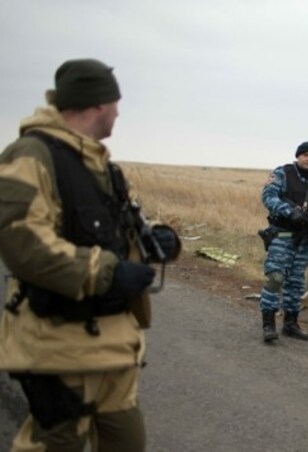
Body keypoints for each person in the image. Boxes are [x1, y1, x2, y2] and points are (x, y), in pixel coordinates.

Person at [0, 58, 180, 451]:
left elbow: (122, 234)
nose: (118, 111)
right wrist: (108, 273)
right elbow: (21, 243)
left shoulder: (104, 167)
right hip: (60, 348)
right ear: (98, 103)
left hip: (114, 346)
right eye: (115, 102)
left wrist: (156, 243)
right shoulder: (31, 156)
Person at [259, 141, 308, 342]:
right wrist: (290, 212)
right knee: (276, 279)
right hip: (282, 236)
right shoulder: (282, 173)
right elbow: (268, 197)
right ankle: (269, 325)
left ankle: (290, 324)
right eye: (305, 154)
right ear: (298, 156)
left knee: (296, 283)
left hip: (304, 241)